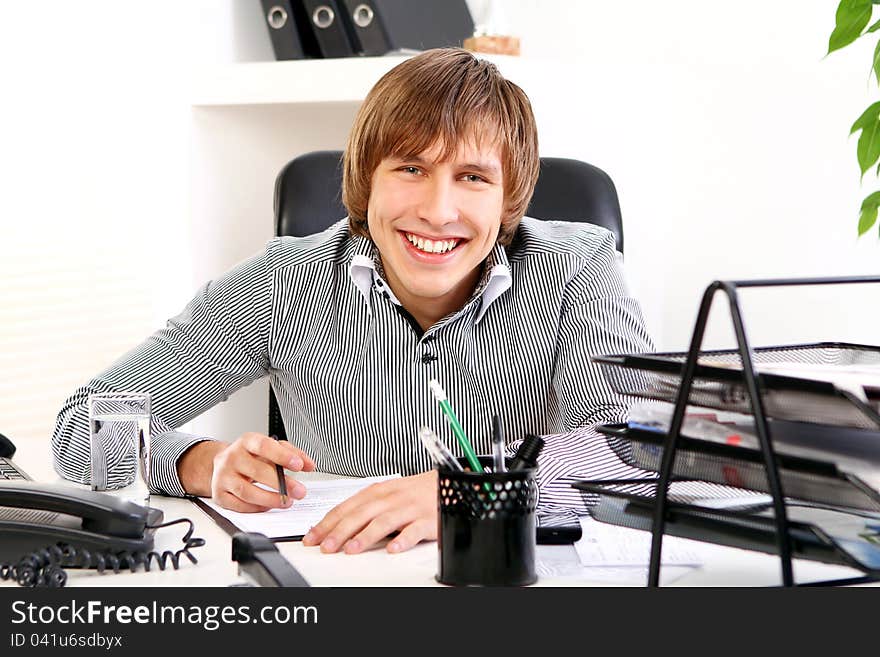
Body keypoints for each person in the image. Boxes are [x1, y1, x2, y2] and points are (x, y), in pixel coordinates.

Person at [53, 48, 653, 556]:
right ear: (367, 182)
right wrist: (199, 464)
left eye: (473, 177)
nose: (438, 211)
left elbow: (656, 459)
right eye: (411, 169)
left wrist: (473, 491)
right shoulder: (284, 280)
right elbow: (82, 428)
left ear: (509, 198)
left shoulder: (580, 268)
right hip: (341, 577)